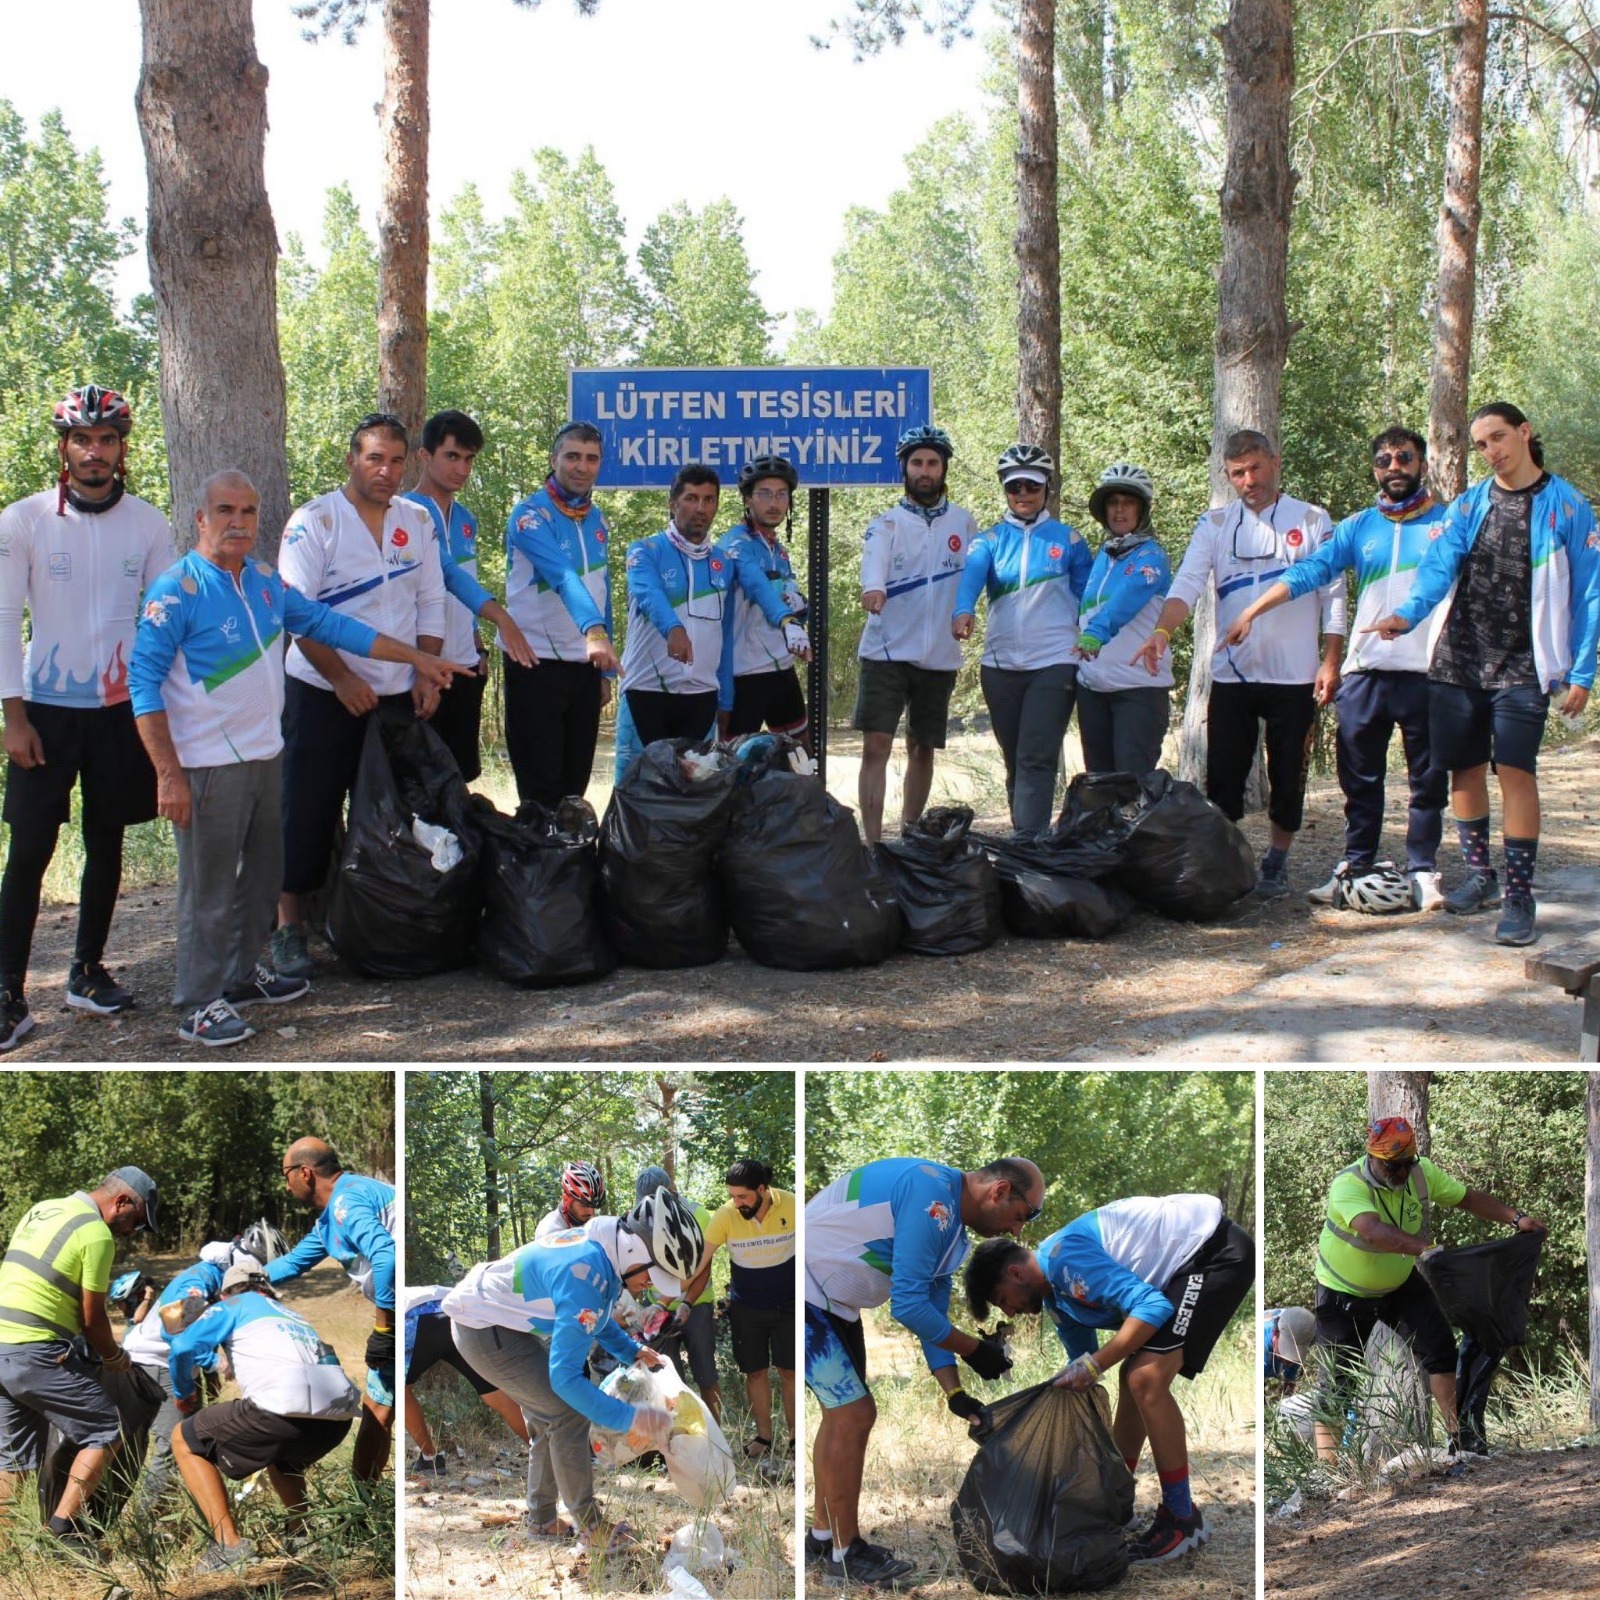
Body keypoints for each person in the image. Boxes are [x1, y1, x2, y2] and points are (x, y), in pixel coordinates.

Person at [129, 470, 467, 1047]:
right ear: (201, 519)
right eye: (226, 510)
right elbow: (143, 684)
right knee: (207, 888)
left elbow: (331, 625)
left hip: (265, 756)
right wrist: (169, 774)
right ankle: (197, 1002)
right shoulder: (176, 591)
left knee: (262, 879)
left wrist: (416, 656)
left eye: (249, 511)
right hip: (208, 765)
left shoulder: (262, 581)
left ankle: (236, 977)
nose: (238, 522)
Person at [1366, 402, 1600, 946]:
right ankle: (1482, 877)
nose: (1492, 451)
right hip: (1459, 658)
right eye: (1482, 444)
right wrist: (1408, 614)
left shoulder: (1567, 506)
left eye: (1499, 438)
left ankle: (1520, 896)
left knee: (1516, 771)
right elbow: (1438, 567)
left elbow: (1590, 594)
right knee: (1463, 770)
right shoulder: (1471, 504)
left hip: (1526, 662)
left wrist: (1583, 672)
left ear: (1524, 433)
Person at [0, 385, 174, 1049]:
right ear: (64, 448)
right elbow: (2, 618)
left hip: (120, 709)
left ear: (122, 449)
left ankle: (86, 970)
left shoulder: (149, 524)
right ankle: (7, 991)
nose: (94, 452)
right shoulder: (24, 520)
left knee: (108, 842)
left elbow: (160, 623)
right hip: (44, 710)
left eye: (106, 440)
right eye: (82, 440)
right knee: (30, 853)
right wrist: (13, 717)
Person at [1221, 428, 1449, 912]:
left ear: (1422, 464)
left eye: (1404, 458)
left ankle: (1423, 869)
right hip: (1366, 670)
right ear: (1374, 470)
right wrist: (1250, 611)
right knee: (1358, 778)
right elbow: (1310, 573)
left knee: (1426, 778)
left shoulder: (1448, 524)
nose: (1394, 467)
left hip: (1427, 668)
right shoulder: (1358, 526)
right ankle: (1355, 864)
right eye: (1384, 460)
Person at [966, 1194, 1253, 1565]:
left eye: (1001, 1300)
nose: (1009, 1312)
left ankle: (1183, 1519)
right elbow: (1084, 1369)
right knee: (1130, 1378)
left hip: (1213, 1251)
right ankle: (1115, 1503)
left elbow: (1153, 1307)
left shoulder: (1064, 1259)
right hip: (1187, 1266)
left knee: (1145, 1377)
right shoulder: (1057, 1302)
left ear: (1015, 1273)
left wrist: (1093, 1366)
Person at [803, 1155, 1043, 1587]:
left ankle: (823, 1537)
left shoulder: (949, 1228)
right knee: (854, 1415)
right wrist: (975, 1351)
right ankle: (845, 1552)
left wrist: (955, 1394)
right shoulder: (930, 1195)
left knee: (841, 1417)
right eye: (1020, 1216)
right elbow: (908, 1307)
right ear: (1000, 1191)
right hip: (801, 1288)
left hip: (830, 1300)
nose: (1016, 1230)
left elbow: (930, 1313)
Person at [270, 412, 450, 981]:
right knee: (307, 810)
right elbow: (295, 612)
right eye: (374, 458)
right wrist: (343, 679)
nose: (386, 471)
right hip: (325, 691)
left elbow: (431, 599)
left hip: (398, 695)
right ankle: (288, 929)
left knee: (398, 813)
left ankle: (388, 919)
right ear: (351, 459)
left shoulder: (417, 520)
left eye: (397, 460)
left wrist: (425, 671)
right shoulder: (314, 522)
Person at [1135, 430, 1345, 897]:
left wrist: (1331, 661)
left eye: (1254, 468)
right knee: (1224, 776)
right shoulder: (1214, 523)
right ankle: (1227, 863)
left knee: (1288, 773)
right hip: (1233, 672)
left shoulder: (1311, 519)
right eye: (1237, 473)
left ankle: (1278, 860)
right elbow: (1187, 583)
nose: (1248, 480)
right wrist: (1161, 632)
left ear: (1274, 462)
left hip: (1295, 674)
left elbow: (1333, 594)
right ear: (1227, 475)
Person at [441, 1192, 700, 1551]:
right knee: (564, 1412)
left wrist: (631, 1350)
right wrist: (634, 1419)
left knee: (551, 1416)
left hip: (502, 1322)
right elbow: (565, 1378)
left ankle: (542, 1521)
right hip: (482, 1327)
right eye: (654, 1276)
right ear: (636, 1254)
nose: (652, 1287)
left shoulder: (605, 1251)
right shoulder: (586, 1273)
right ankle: (591, 1528)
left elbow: (594, 1316)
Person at [1311, 1115, 1545, 1464]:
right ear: (1373, 1157)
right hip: (1344, 1294)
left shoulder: (1421, 1173)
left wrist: (1516, 1218)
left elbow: (1466, 1198)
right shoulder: (1349, 1185)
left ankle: (1458, 1443)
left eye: (1407, 1163)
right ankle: (1327, 1474)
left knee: (1440, 1352)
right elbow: (1373, 1232)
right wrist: (1422, 1248)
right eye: (1394, 1165)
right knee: (1337, 1384)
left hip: (1399, 1284)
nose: (1402, 1172)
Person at [0, 1167, 159, 1558]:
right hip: (38, 1349)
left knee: (13, 1459)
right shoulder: (95, 1233)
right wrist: (113, 1357)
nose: (130, 1232)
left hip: (3, 1346)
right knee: (108, 1429)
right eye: (135, 1221)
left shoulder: (44, 1209)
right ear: (121, 1201)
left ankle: (4, 1552)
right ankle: (62, 1534)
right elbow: (92, 1318)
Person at [168, 1260, 362, 1574]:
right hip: (336, 1422)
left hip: (283, 1411)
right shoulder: (291, 1313)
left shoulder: (234, 1303)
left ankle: (229, 1546)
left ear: (227, 1292)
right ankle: (303, 1535)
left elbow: (181, 1346)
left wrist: (183, 1392)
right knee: (282, 1456)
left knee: (185, 1439)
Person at [952, 445, 1092, 834]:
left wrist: (1099, 638)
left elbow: (1091, 598)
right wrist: (961, 612)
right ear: (1005, 491)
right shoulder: (989, 541)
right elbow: (969, 582)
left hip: (1054, 660)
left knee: (1035, 756)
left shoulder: (1070, 540)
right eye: (1015, 488)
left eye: (1033, 486)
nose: (1024, 494)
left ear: (1047, 489)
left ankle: (1029, 842)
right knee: (1015, 757)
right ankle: (1025, 837)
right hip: (999, 665)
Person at [855, 424, 978, 845]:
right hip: (886, 652)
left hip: (939, 654)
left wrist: (970, 611)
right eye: (917, 463)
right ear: (904, 468)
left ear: (944, 469)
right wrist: (873, 589)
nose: (925, 471)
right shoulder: (885, 524)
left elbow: (975, 577)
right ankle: (871, 846)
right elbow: (873, 566)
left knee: (922, 748)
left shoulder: (965, 522)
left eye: (932, 463)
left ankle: (910, 839)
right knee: (876, 746)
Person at [400, 410, 536, 782]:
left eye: (469, 458)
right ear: (425, 456)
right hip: (418, 668)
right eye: (452, 456)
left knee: (460, 779)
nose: (462, 468)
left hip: (462, 666)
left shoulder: (465, 519)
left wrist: (477, 645)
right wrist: (500, 617)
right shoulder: (404, 514)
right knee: (420, 783)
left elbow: (466, 580)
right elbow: (446, 574)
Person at [502, 421, 620, 807]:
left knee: (574, 788)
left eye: (591, 459)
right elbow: (563, 575)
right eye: (572, 457)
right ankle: (536, 866)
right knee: (541, 790)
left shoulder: (597, 519)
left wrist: (603, 671)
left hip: (584, 667)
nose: (581, 467)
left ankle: (569, 866)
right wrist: (596, 632)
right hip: (535, 662)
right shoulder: (529, 515)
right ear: (554, 460)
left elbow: (601, 591)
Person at [266, 1139, 395, 1480]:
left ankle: (364, 1504)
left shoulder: (346, 1202)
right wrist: (237, 1280)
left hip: (406, 1312)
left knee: (378, 1410)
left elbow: (388, 1256)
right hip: (404, 1313)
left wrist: (384, 1329)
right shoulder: (330, 1220)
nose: (286, 1184)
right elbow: (292, 1263)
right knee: (379, 1409)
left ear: (305, 1173)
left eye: (287, 1174)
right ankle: (366, 1501)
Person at [680, 1158, 796, 1470]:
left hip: (789, 1305)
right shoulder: (726, 1215)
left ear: (762, 1189)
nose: (736, 1202)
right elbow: (701, 1261)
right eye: (732, 1196)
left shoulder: (793, 1206)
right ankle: (764, 1437)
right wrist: (669, 1295)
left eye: (743, 1196)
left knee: (790, 1372)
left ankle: (796, 1440)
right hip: (747, 1308)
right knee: (755, 1372)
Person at [620, 465, 733, 748]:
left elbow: (726, 634)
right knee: (637, 787)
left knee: (695, 788)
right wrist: (673, 628)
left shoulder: (725, 561)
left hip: (702, 694)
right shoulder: (645, 550)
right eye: (691, 498)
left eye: (709, 500)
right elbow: (648, 593)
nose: (701, 508)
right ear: (673, 504)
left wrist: (726, 698)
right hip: (646, 690)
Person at [123, 1240, 240, 1514]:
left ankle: (154, 1512)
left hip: (161, 1362)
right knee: (175, 1442)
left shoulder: (213, 1283)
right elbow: (178, 1338)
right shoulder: (196, 1283)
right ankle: (146, 1519)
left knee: (165, 1443)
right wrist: (216, 1364)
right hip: (155, 1362)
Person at [1075, 463, 1174, 775]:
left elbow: (1125, 601)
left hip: (1138, 688)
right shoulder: (1104, 555)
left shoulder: (1152, 557)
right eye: (1112, 503)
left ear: (1142, 509)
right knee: (1100, 787)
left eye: (1128, 502)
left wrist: (1095, 634)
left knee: (1132, 787)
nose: (1119, 511)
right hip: (1093, 687)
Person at [716, 456, 813, 744]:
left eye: (782, 494)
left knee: (799, 754)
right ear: (747, 500)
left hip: (781, 667)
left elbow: (792, 598)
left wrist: (799, 604)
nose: (774, 503)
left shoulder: (777, 549)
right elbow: (757, 585)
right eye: (765, 494)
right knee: (736, 761)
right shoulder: (734, 545)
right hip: (744, 673)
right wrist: (787, 620)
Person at [403, 1283, 530, 1478]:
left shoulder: (397, 1297)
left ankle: (430, 1458)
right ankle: (545, 1453)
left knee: (401, 1390)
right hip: (464, 1315)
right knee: (496, 1394)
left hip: (420, 1316)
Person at [535, 1161, 607, 1241]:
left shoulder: (589, 1223)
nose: (591, 1212)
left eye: (593, 1207)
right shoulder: (551, 1229)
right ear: (566, 1199)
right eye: (584, 1205)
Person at [1262, 1306, 1315, 1393]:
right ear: (1276, 1333)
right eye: (1288, 1350)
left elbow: (1295, 1360)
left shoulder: (1300, 1328)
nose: (1289, 1361)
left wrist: (1290, 1378)